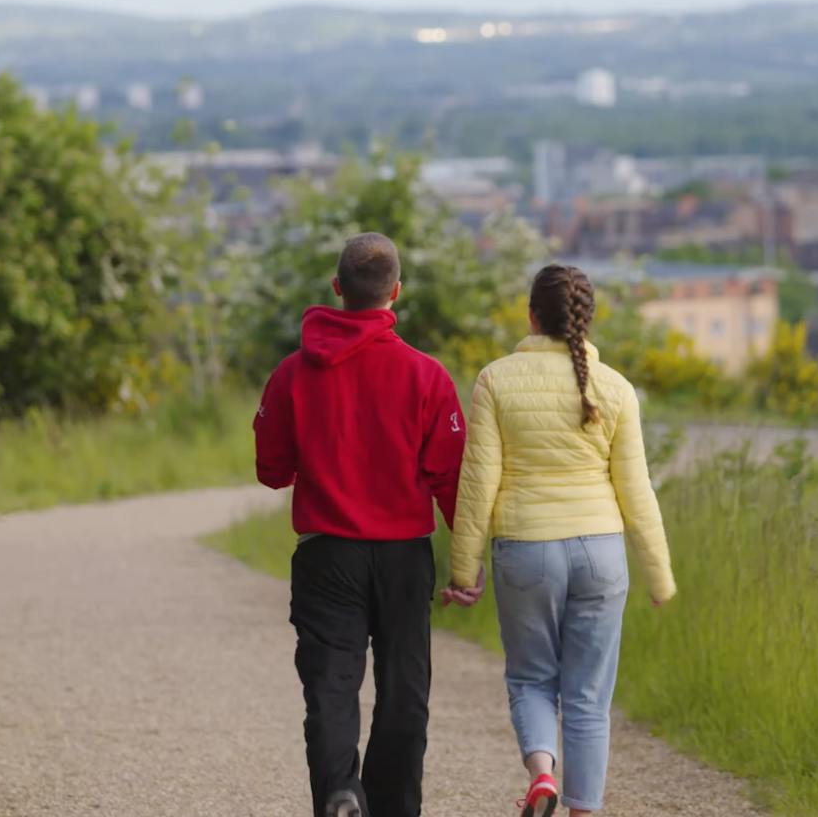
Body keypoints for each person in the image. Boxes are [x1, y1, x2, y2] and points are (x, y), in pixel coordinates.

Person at [254, 232, 476, 817]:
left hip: (326, 555)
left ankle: (341, 794)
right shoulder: (427, 376)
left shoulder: (291, 375)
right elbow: (451, 477)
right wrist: (468, 561)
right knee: (404, 689)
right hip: (404, 556)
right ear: (395, 292)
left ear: (337, 288)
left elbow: (271, 471)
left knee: (330, 686)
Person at [445, 263, 676, 817]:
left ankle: (542, 774)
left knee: (531, 678)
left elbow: (478, 483)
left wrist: (463, 570)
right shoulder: (616, 388)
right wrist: (660, 575)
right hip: (601, 553)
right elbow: (636, 490)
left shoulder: (495, 380)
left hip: (526, 551)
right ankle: (582, 810)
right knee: (588, 697)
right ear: (586, 320)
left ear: (531, 316)